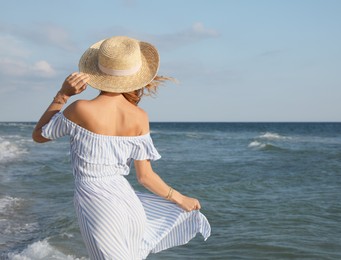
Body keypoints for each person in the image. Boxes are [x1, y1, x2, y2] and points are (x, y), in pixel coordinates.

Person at [32, 36, 210, 259]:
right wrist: (181, 198)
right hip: (129, 205)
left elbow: (39, 135)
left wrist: (63, 95)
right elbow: (145, 177)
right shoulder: (140, 117)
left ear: (97, 71)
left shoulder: (80, 109)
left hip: (96, 203)